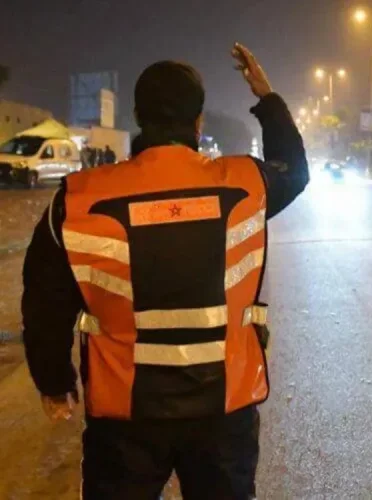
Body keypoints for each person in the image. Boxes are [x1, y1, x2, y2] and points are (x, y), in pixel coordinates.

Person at [21, 43, 309, 499]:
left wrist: (54, 380)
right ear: (199, 122)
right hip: (224, 409)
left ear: (139, 116)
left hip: (124, 417)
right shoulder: (246, 183)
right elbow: (293, 169)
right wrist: (267, 98)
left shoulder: (77, 198)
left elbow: (45, 301)